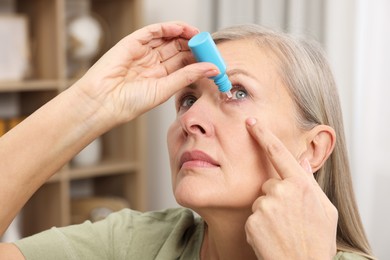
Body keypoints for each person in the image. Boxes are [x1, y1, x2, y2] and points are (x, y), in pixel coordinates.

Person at [0, 21, 374, 259]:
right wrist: (90, 105)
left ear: (312, 149)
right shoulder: (134, 244)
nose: (190, 120)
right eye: (188, 99)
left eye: (237, 92)